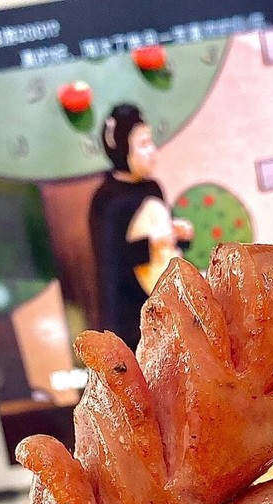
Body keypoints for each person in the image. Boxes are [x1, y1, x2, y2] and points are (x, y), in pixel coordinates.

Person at [89, 104, 192, 349]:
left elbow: (167, 247)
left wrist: (180, 235)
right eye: (143, 144)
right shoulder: (107, 200)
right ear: (122, 148)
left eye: (151, 142)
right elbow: (111, 263)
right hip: (128, 318)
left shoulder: (153, 188)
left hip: (163, 305)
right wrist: (150, 243)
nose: (152, 151)